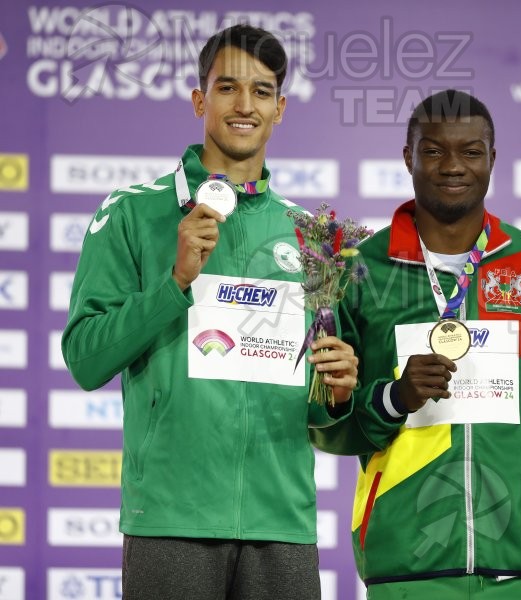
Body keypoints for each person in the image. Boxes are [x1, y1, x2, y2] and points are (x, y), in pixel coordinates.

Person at [61, 24, 358, 600]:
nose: (245, 105)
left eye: (262, 91)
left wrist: (338, 391)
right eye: (228, 88)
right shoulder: (132, 214)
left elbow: (322, 410)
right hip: (171, 521)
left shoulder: (318, 235)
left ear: (281, 109)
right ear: (201, 100)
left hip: (283, 525)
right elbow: (85, 358)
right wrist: (174, 282)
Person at [311, 89, 521, 599]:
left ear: (493, 159)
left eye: (471, 151)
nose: (453, 165)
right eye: (433, 151)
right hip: (408, 564)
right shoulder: (356, 270)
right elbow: (327, 427)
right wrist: (394, 397)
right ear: (408, 157)